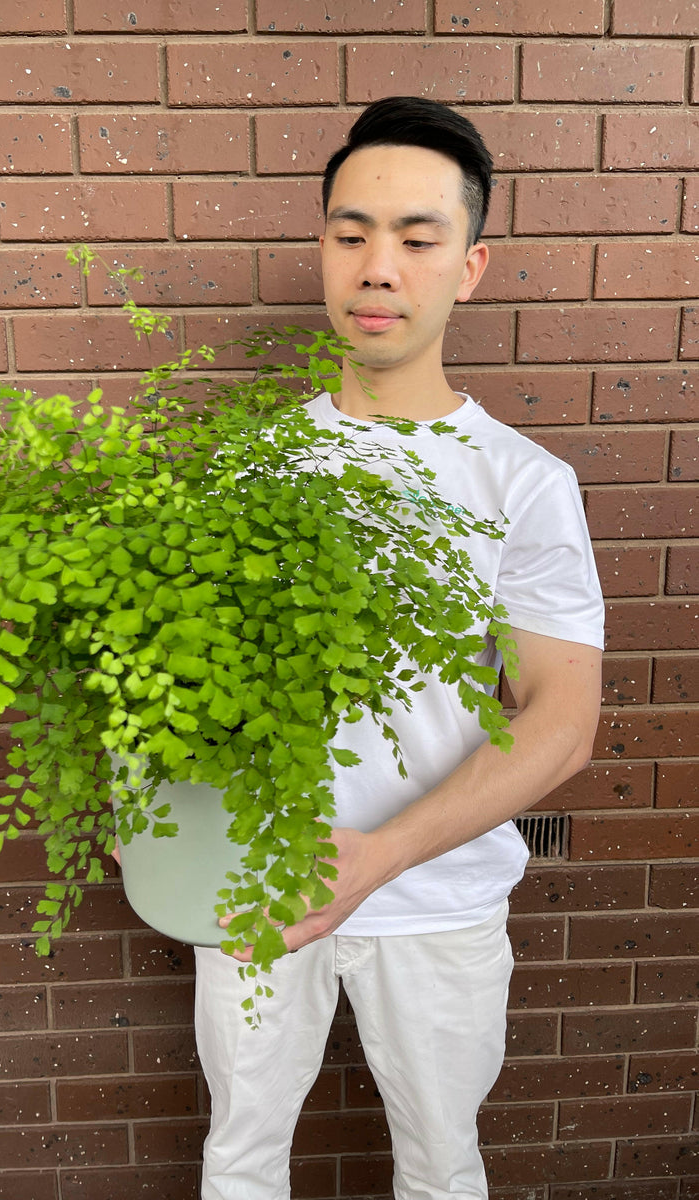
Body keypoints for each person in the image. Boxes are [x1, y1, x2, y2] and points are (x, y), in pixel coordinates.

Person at [193, 97, 605, 1200]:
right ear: (322, 250)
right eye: (350, 233)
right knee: (239, 1156)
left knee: (440, 1166)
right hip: (252, 888)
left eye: (416, 240)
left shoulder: (520, 485)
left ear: (469, 267)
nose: (378, 267)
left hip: (440, 899)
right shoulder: (248, 469)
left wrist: (382, 855)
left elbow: (561, 723)